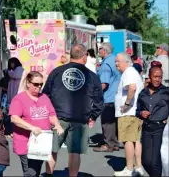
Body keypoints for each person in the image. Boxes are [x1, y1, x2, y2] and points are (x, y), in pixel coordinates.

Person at [42, 44, 104, 177]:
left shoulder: (56, 72)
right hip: (80, 119)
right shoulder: (92, 76)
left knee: (52, 150)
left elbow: (45, 94)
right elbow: (99, 100)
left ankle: (48, 174)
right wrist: (93, 115)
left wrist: (48, 114)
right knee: (74, 152)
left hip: (57, 117)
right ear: (85, 56)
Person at [9, 71, 63, 177]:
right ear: (28, 83)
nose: (39, 87)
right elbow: (14, 118)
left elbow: (51, 114)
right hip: (26, 143)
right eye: (36, 84)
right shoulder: (19, 99)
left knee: (36, 171)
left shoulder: (44, 97)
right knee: (31, 172)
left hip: (42, 142)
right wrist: (31, 127)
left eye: (41, 84)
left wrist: (57, 124)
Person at [114, 52, 144, 176]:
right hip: (133, 112)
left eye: (118, 61)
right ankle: (138, 167)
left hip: (128, 113)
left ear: (126, 62)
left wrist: (126, 104)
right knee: (135, 140)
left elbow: (132, 87)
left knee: (128, 141)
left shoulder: (128, 72)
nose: (116, 64)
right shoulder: (131, 72)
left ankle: (129, 169)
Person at [136, 66, 169, 177]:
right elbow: (137, 110)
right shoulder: (143, 93)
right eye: (155, 77)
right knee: (145, 161)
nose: (158, 79)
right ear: (149, 77)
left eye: (160, 77)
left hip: (160, 128)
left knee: (155, 161)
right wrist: (141, 113)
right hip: (146, 128)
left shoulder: (166, 92)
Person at [94, 42, 121, 152]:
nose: (98, 51)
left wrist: (95, 95)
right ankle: (114, 143)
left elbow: (104, 83)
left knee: (107, 122)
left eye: (100, 49)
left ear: (104, 51)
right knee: (114, 121)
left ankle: (108, 144)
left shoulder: (106, 64)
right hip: (116, 95)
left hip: (108, 97)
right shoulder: (115, 60)